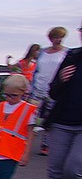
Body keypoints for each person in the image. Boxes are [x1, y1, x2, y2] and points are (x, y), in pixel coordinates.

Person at [33, 22, 82, 179]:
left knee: (72, 169)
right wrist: (61, 80)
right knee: (55, 171)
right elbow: (53, 91)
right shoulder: (72, 56)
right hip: (62, 120)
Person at [30, 27, 69, 156]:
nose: (58, 40)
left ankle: (46, 144)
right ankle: (25, 142)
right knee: (31, 117)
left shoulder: (66, 53)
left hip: (54, 90)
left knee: (49, 118)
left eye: (61, 37)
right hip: (38, 89)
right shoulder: (42, 52)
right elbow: (36, 70)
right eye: (56, 37)